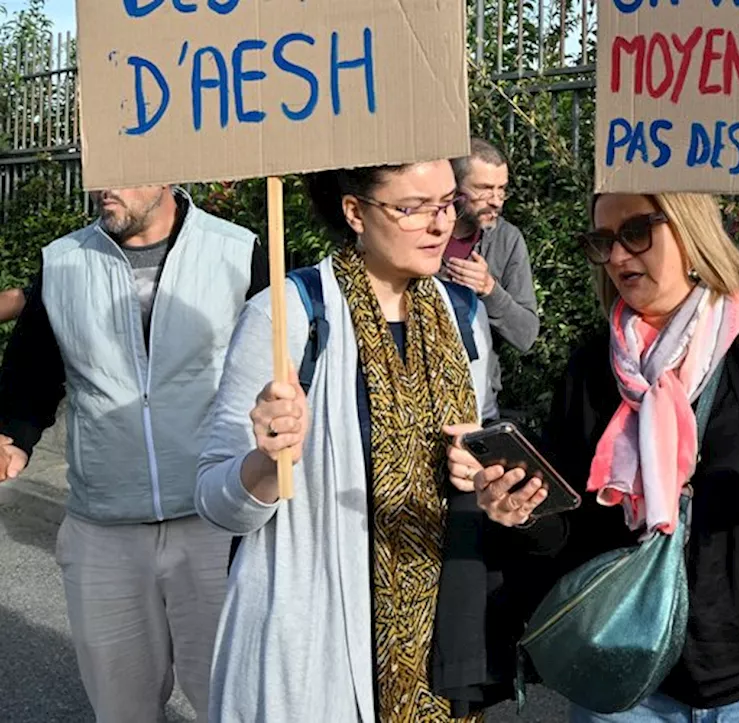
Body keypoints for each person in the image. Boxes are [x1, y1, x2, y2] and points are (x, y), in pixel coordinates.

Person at [446, 192, 739, 721]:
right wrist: (522, 511)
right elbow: (570, 534)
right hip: (628, 687)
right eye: (603, 242)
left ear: (690, 228)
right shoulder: (592, 366)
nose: (619, 257)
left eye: (636, 232)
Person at [196, 159, 506, 723]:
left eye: (446, 204)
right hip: (320, 645)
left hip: (443, 641)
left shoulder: (463, 315)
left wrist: (481, 469)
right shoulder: (288, 316)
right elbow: (215, 500)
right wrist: (267, 462)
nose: (439, 225)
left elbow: (483, 440)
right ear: (355, 211)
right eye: (413, 208)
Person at [0, 185, 267, 723]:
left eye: (119, 172)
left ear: (162, 170)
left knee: (235, 703)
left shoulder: (240, 251)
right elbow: (31, 375)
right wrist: (13, 437)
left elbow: (283, 365)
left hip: (215, 521)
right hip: (105, 528)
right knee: (122, 710)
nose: (103, 187)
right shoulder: (64, 262)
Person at [443, 138, 539, 403]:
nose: (496, 201)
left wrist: (490, 290)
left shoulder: (507, 240)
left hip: (479, 402)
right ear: (454, 187)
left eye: (502, 190)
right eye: (485, 190)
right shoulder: (423, 237)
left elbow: (526, 335)